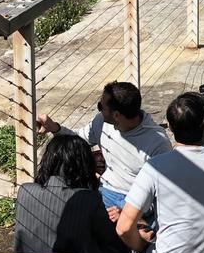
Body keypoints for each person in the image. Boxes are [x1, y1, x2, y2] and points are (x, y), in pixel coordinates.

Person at [116, 93, 204, 253]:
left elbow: (123, 228)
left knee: (131, 238)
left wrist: (142, 246)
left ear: (171, 128)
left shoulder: (154, 167)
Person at [36, 81, 172, 212]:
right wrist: (54, 127)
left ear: (117, 115)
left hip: (137, 202)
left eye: (101, 107)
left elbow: (162, 191)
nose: (99, 109)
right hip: (106, 191)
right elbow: (79, 140)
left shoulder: (158, 142)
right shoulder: (101, 122)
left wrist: (129, 212)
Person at [14, 132, 129, 253]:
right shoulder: (89, 199)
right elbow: (111, 245)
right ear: (85, 164)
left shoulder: (25, 191)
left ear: (48, 161)